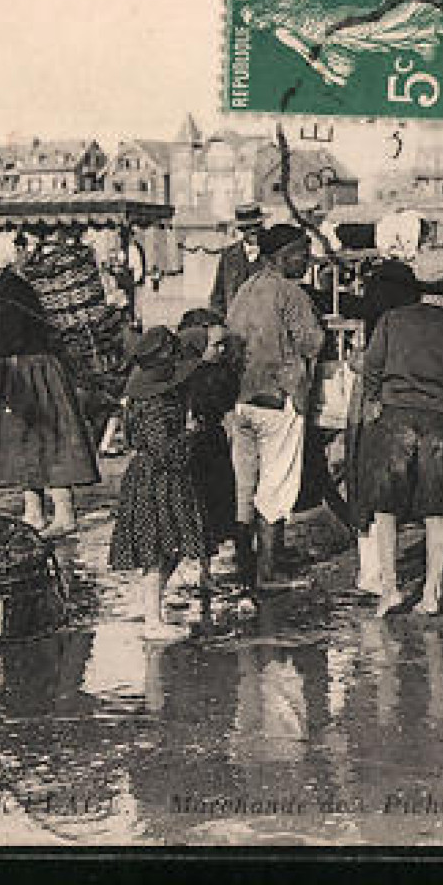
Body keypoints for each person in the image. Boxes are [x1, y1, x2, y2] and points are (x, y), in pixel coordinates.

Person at [360, 248, 443, 616]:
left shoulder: (392, 320)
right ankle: (432, 593)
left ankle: (390, 589)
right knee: (435, 510)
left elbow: (371, 367)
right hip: (434, 423)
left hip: (394, 419)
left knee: (386, 508)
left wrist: (375, 400)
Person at [0, 232, 101, 534]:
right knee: (28, 442)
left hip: (31, 370)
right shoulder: (5, 287)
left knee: (46, 441)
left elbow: (11, 338)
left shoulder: (8, 290)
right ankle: (34, 512)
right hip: (24, 369)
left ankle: (64, 515)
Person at [226, 223, 326, 588]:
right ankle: (269, 571)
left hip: (241, 399)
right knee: (277, 485)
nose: (307, 259)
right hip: (278, 399)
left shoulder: (245, 290)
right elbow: (312, 343)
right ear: (283, 256)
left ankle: (246, 561)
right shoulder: (290, 293)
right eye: (302, 252)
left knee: (244, 485)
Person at [109, 326, 208, 639]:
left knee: (168, 548)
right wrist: (191, 434)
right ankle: (152, 618)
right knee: (157, 551)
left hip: (155, 478)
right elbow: (164, 449)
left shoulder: (147, 399)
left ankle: (152, 607)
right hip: (158, 480)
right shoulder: (157, 405)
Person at [347, 210, 425, 597]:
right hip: (398, 383)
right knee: (393, 479)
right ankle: (380, 571)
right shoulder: (404, 283)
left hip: (372, 382)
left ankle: (371, 569)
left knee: (370, 474)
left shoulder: (376, 280)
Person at [177, 309, 245, 593]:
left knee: (215, 505)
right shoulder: (183, 376)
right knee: (197, 506)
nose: (220, 350)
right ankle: (196, 568)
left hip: (212, 444)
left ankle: (206, 570)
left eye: (222, 345)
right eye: (215, 345)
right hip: (194, 447)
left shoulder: (219, 373)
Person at [208, 204, 265, 319]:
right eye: (248, 227)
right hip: (235, 324)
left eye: (257, 226)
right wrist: (221, 322)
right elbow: (217, 296)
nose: (253, 230)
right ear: (241, 229)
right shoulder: (228, 255)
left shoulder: (273, 253)